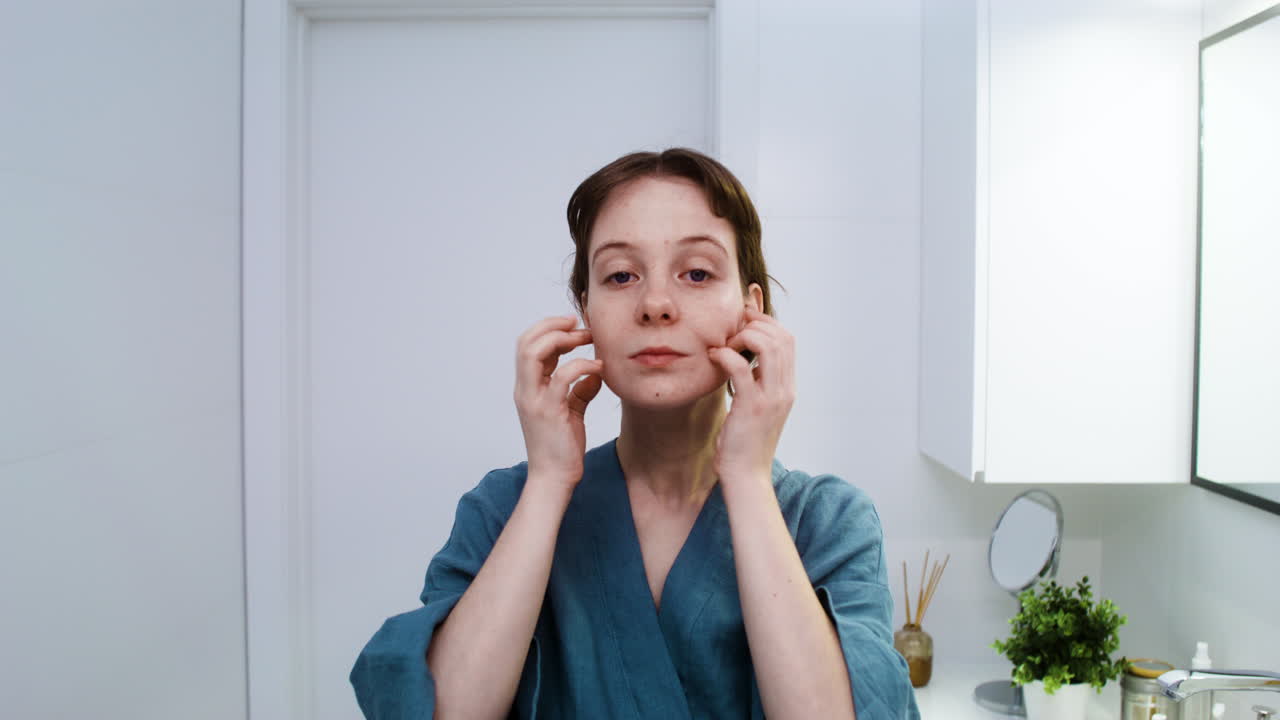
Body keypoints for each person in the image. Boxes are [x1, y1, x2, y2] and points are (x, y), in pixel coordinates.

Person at [350, 148, 919, 719]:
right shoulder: (503, 510)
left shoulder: (828, 524)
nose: (655, 304)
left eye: (697, 273)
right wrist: (550, 481)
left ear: (752, 311)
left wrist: (746, 476)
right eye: (620, 276)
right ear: (586, 312)